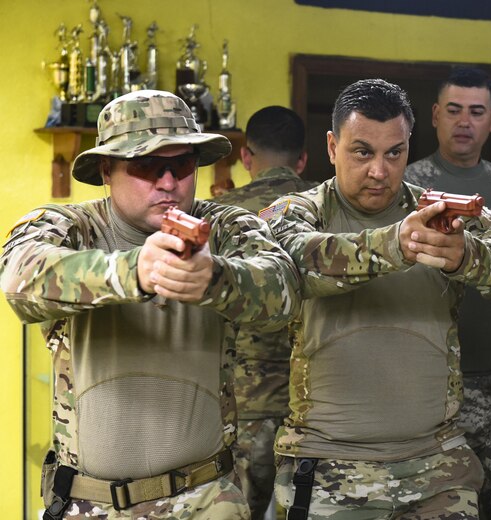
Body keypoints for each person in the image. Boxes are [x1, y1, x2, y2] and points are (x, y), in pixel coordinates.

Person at [0, 90, 301, 519]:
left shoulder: (226, 225)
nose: (167, 182)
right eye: (145, 165)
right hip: (94, 502)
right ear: (107, 168)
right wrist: (133, 271)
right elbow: (18, 280)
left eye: (180, 165)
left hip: (207, 498)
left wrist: (215, 277)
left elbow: (283, 290)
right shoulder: (72, 226)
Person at [264, 78, 491, 519]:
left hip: (436, 467)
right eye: (362, 152)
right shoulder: (299, 211)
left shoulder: (440, 211)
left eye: (395, 153)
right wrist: (394, 245)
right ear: (332, 147)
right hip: (329, 464)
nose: (379, 170)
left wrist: (468, 257)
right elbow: (291, 262)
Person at [405, 67, 491, 517]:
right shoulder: (409, 183)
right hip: (431, 381)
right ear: (435, 116)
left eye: (476, 112)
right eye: (454, 110)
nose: (464, 122)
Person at [211, 105, 316, 519]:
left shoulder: (220, 214)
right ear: (303, 159)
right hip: (312, 404)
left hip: (241, 402)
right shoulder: (321, 210)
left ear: (245, 157)